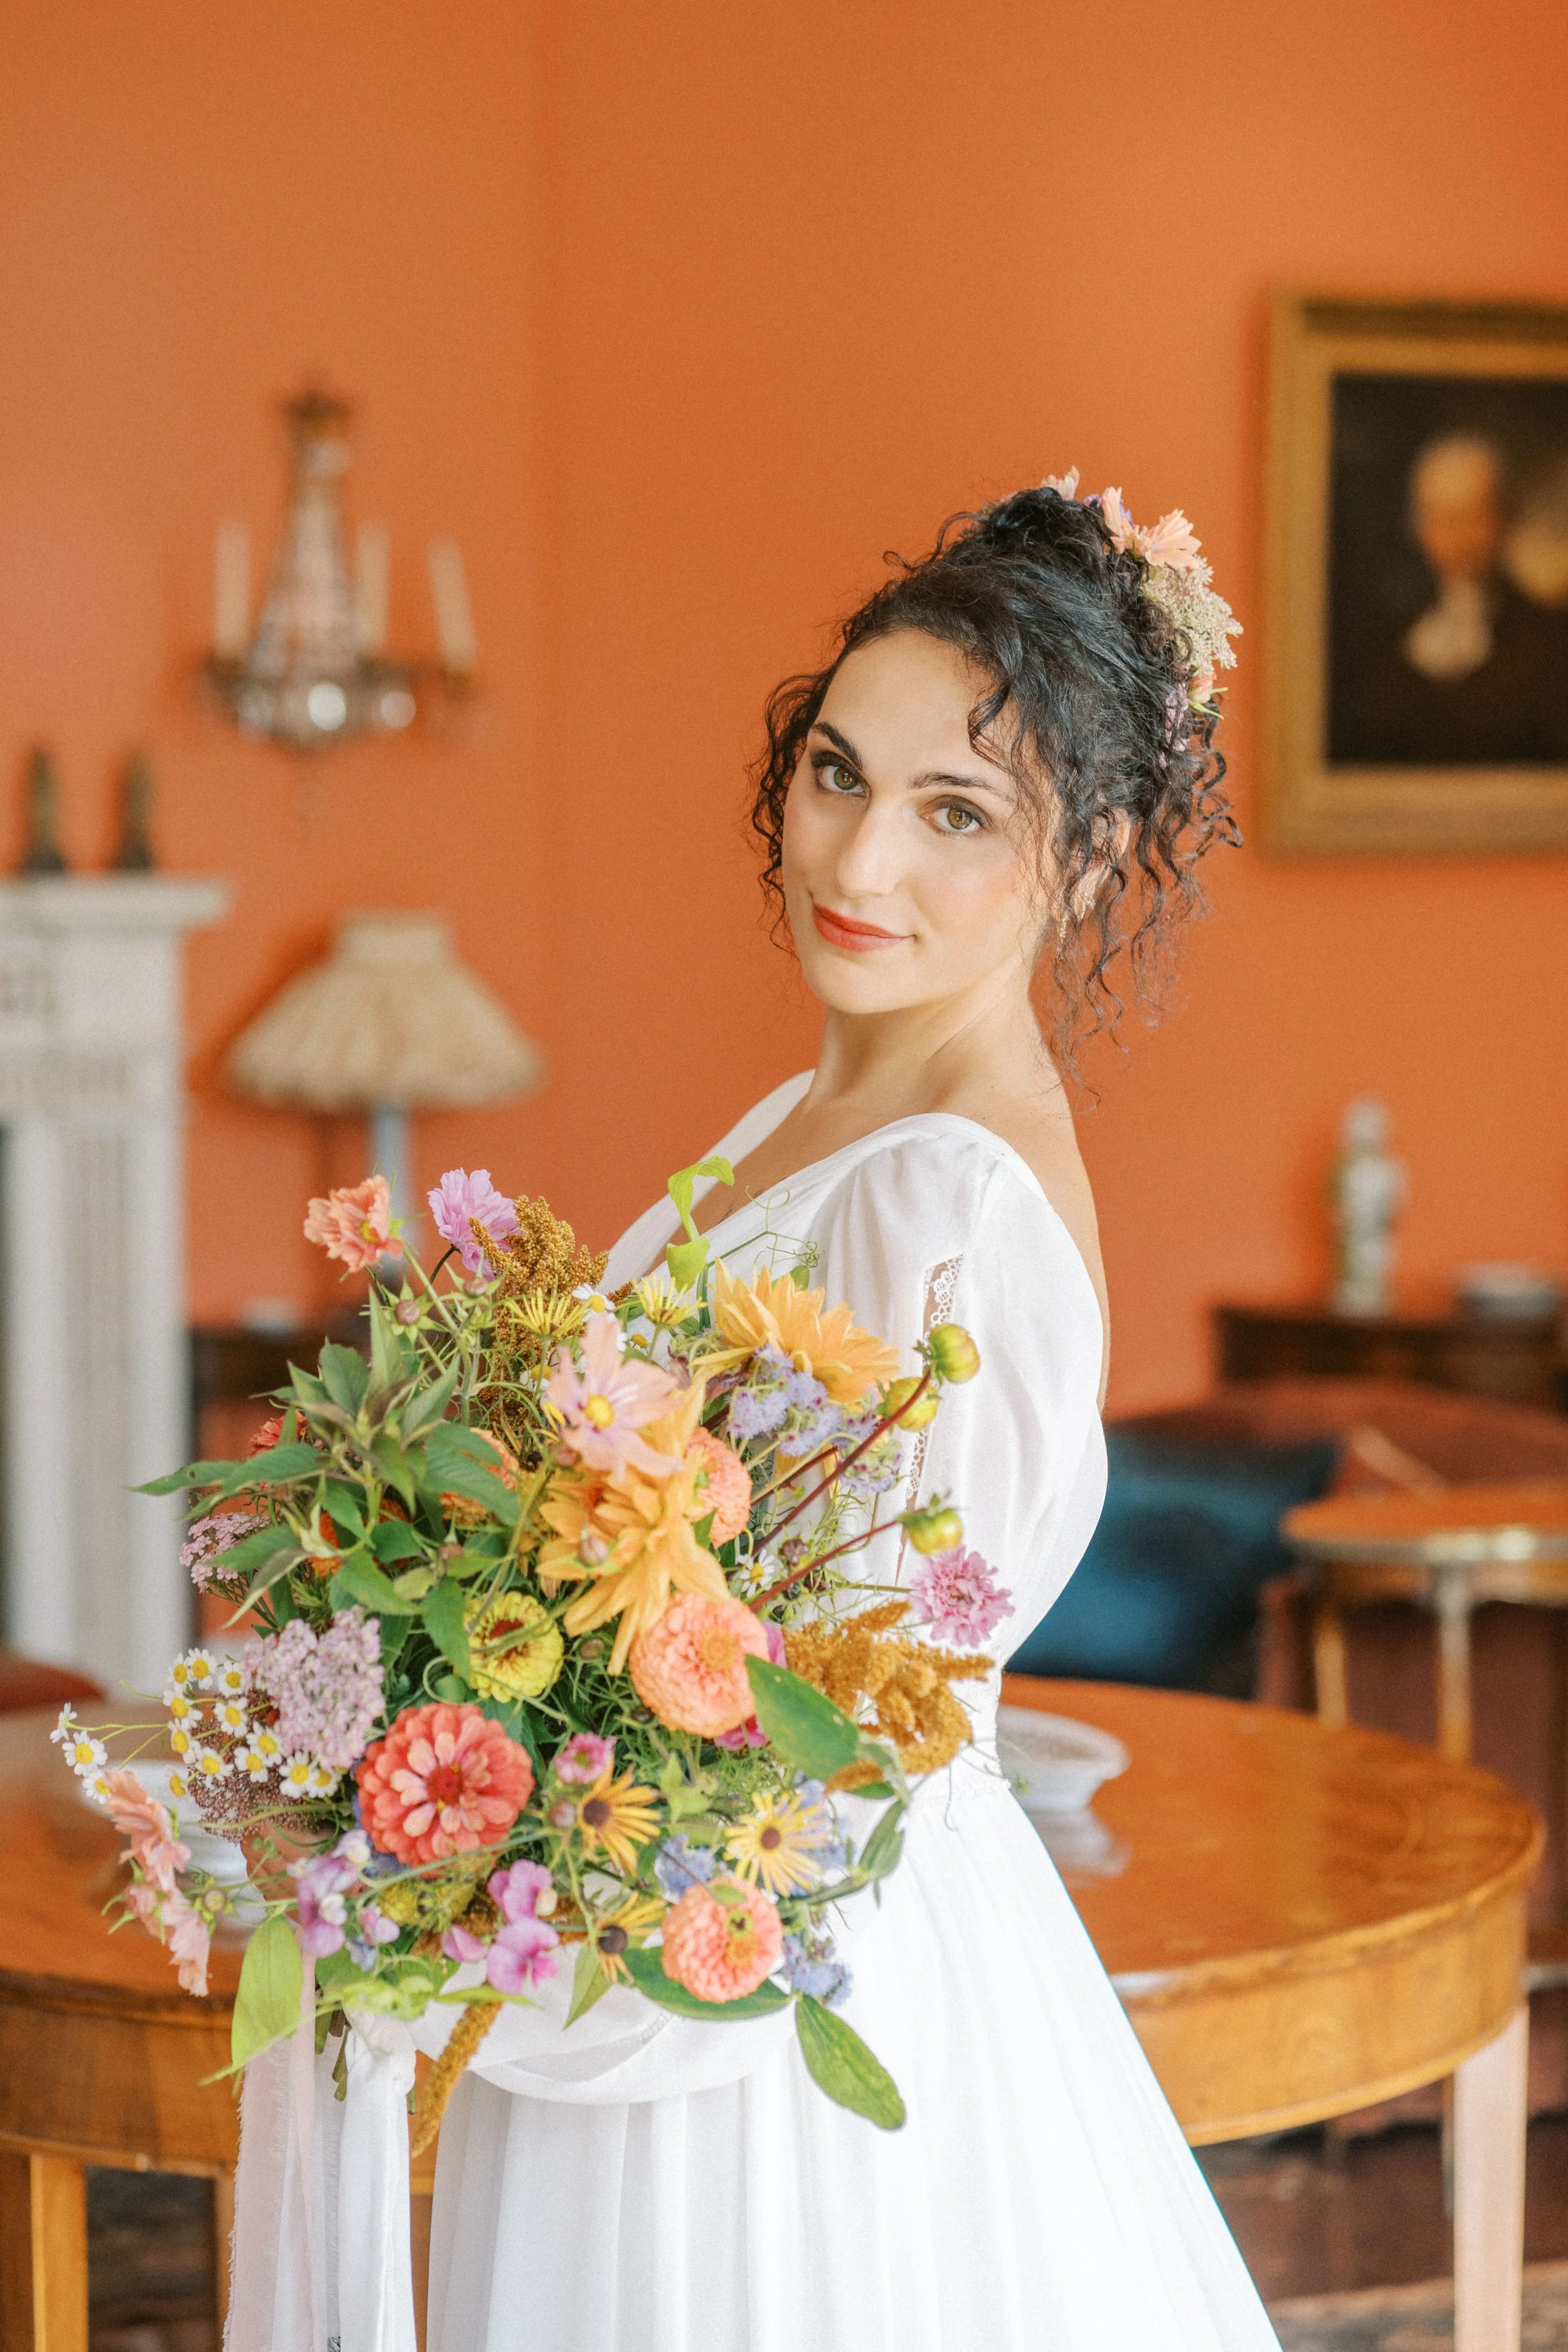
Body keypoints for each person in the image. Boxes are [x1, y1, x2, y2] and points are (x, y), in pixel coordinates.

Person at [415, 480, 1279, 2349]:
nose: (857, 860)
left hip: (760, 1989)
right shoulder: (800, 1119)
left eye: (952, 813)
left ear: (1089, 851)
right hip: (651, 1892)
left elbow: (833, 1719)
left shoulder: (934, 1197)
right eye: (835, 771)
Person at [1348, 433, 1568, 765]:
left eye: (1472, 516)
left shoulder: (1548, 637)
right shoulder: (1388, 634)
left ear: (1504, 519)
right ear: (1419, 526)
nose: (1457, 537)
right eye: (1440, 517)